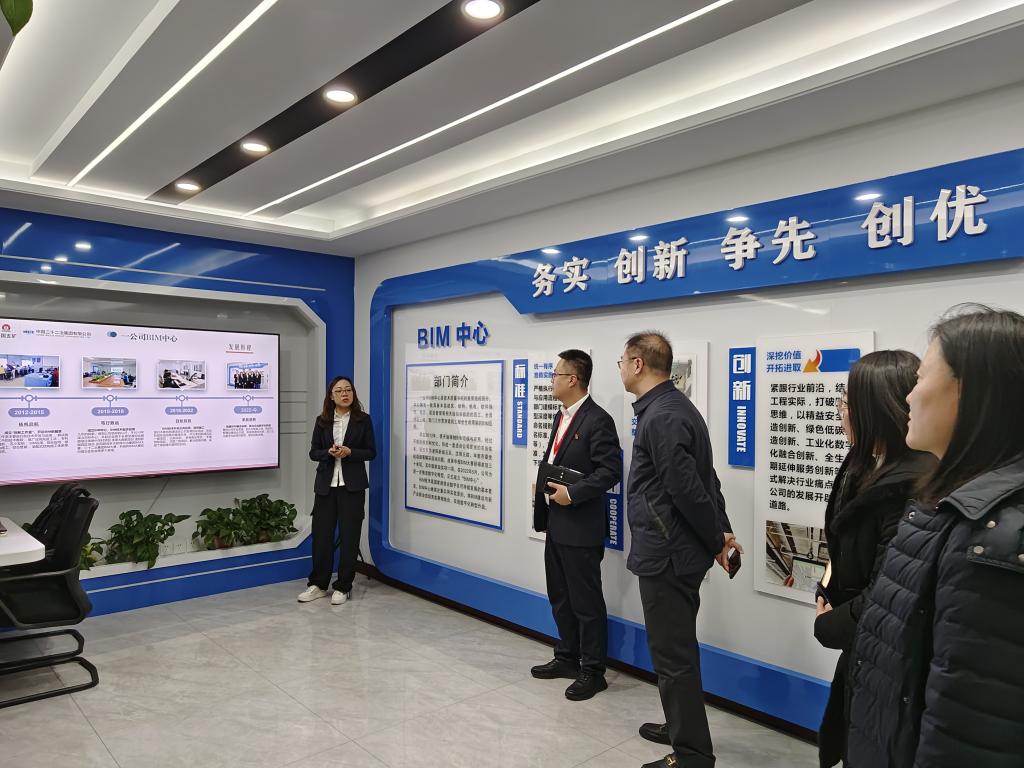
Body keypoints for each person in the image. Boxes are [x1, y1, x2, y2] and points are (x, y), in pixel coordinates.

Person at [847, 306, 1024, 767]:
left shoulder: (996, 541)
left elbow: (968, 729)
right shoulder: (944, 505)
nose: (909, 396)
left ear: (968, 392)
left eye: (922, 378)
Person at [618, 331, 741, 768]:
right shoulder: (672, 408)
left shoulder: (662, 416)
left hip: (667, 555)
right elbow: (706, 480)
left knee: (674, 657)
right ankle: (679, 725)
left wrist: (716, 538)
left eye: (622, 361)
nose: (620, 369)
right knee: (677, 651)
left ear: (637, 364)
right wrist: (720, 532)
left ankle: (691, 756)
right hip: (675, 551)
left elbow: (688, 488)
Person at [812, 351, 936, 768]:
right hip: (861, 644)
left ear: (875, 409)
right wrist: (827, 586)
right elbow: (842, 539)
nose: (841, 411)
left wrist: (829, 623)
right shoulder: (860, 462)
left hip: (887, 653)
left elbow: (891, 590)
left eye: (847, 402)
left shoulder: (914, 488)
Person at [529, 349, 622, 701]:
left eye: (555, 374)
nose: (551, 380)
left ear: (573, 379)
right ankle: (567, 657)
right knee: (560, 596)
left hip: (581, 527)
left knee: (586, 602)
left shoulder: (598, 420)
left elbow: (610, 471)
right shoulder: (562, 416)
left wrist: (572, 493)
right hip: (557, 522)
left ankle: (593, 671)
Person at [298, 376, 376, 606]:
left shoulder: (363, 420)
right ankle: (318, 584)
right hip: (326, 486)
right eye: (339, 390)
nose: (345, 394)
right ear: (331, 396)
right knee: (321, 537)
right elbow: (313, 452)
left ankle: (343, 586)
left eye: (348, 390)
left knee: (350, 537)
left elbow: (371, 452)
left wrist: (350, 452)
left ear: (353, 393)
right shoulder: (322, 421)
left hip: (353, 487)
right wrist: (328, 453)